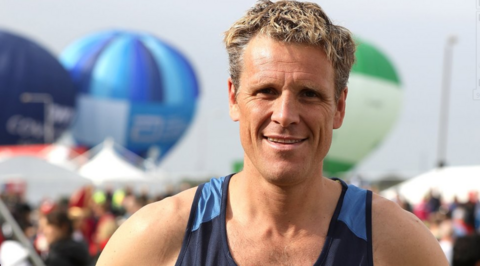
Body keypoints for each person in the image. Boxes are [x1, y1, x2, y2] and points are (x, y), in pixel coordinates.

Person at [97, 1, 448, 265]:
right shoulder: (154, 238)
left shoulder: (397, 244)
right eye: (265, 91)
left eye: (309, 94)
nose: (285, 115)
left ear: (339, 107)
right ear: (234, 99)